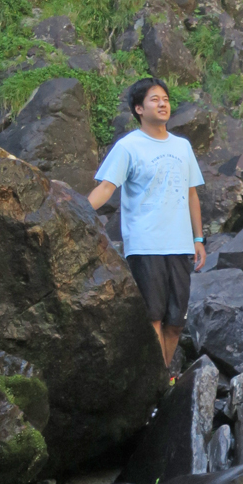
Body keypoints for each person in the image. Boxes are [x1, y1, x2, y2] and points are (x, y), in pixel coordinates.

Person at [88, 78, 206, 370]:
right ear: (139, 108)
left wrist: (199, 238)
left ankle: (163, 376)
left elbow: (192, 193)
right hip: (145, 242)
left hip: (179, 243)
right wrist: (76, 208)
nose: (162, 103)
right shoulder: (128, 146)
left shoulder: (182, 146)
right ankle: (157, 382)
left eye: (165, 98)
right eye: (154, 99)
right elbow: (106, 187)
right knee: (153, 315)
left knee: (176, 321)